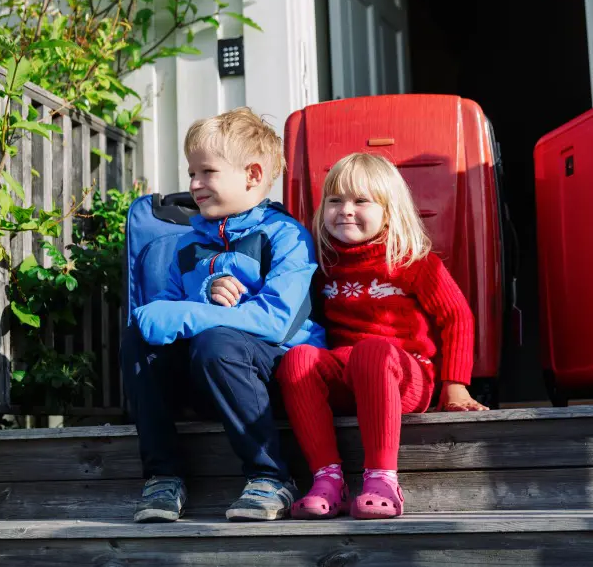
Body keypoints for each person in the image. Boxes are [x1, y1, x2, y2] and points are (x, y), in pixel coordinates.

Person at [128, 108, 324, 523]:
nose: (194, 185)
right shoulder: (182, 247)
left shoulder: (287, 236)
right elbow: (157, 315)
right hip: (209, 374)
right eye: (191, 173)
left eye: (207, 172)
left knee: (216, 340)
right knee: (142, 339)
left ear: (252, 175)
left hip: (278, 373)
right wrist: (203, 301)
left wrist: (198, 314)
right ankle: (163, 476)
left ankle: (271, 476)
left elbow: (276, 322)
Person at [275, 153, 488, 520]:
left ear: (388, 211)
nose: (345, 210)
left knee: (372, 350)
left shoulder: (412, 261)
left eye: (361, 201)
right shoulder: (322, 265)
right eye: (335, 200)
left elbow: (457, 316)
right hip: (349, 375)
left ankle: (382, 479)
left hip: (406, 376)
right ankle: (328, 479)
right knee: (298, 358)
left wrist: (455, 385)